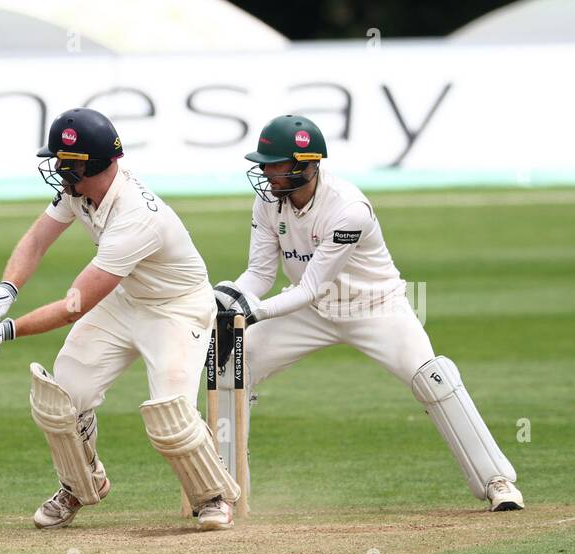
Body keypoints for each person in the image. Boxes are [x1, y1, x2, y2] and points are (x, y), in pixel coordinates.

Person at [214, 114, 523, 512]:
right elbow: (258, 274)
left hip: (375, 308)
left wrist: (252, 311)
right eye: (265, 164)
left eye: (276, 164)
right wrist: (230, 296)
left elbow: (311, 287)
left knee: (434, 379)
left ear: (307, 164)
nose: (267, 173)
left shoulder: (348, 209)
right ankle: (222, 491)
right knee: (231, 366)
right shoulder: (268, 202)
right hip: (312, 312)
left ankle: (497, 481)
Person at [0, 107, 240, 531]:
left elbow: (75, 304)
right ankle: (80, 485)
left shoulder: (136, 216)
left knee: (170, 416)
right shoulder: (77, 192)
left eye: (65, 164)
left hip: (176, 308)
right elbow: (36, 240)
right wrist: (6, 290)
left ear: (91, 165)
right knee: (60, 400)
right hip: (126, 299)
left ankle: (213, 496)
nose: (57, 170)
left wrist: (6, 329)